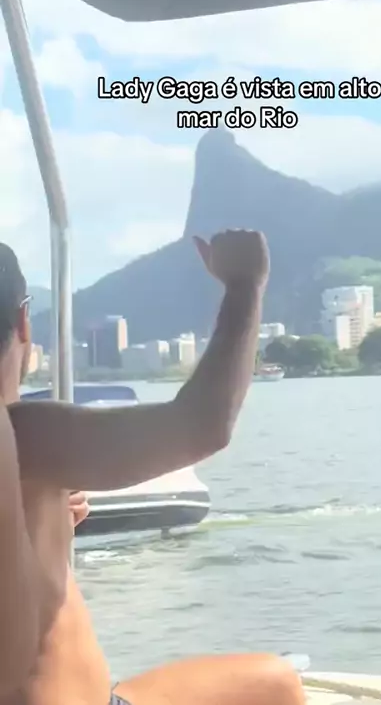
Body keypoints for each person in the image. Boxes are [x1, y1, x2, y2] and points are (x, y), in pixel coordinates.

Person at [1, 233, 305, 705]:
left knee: (271, 678)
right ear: (24, 322)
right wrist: (245, 286)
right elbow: (202, 426)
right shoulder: (26, 432)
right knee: (278, 684)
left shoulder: (28, 468)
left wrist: (40, 526)